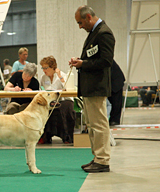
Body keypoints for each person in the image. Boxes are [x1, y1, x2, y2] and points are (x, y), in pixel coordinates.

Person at [69, 5, 115, 173]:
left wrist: (84, 64)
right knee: (92, 125)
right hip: (89, 88)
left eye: (80, 23)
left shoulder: (104, 33)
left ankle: (103, 161)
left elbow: (106, 62)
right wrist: (79, 61)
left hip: (97, 88)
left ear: (88, 17)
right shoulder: (94, 33)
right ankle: (97, 157)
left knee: (100, 125)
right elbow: (92, 57)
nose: (80, 26)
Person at [39, 56, 76, 144]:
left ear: (53, 67)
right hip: (50, 101)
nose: (44, 70)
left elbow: (69, 89)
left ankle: (66, 137)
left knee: (62, 108)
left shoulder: (62, 75)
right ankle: (45, 137)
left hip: (64, 100)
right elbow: (41, 90)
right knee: (42, 109)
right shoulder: (43, 78)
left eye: (46, 68)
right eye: (42, 68)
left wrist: (60, 77)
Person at [108, 60, 125, 126]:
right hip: (112, 80)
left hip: (116, 81)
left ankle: (115, 120)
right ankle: (112, 120)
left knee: (116, 103)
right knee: (114, 102)